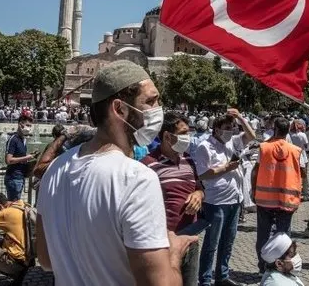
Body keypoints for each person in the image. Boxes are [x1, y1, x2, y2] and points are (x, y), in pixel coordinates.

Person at [36, 60, 195, 286]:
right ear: (119, 109)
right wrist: (174, 254)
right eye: (151, 101)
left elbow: (46, 260)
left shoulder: (54, 170)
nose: (159, 109)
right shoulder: (135, 178)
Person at [142, 112, 204, 286]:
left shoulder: (189, 161)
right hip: (162, 243)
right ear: (167, 136)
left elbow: (199, 188)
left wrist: (198, 194)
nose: (188, 137)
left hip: (190, 240)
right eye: (183, 133)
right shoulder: (147, 165)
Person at [194, 111, 255, 286]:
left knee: (228, 241)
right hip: (216, 202)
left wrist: (241, 118)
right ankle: (205, 279)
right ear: (217, 129)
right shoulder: (204, 146)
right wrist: (227, 168)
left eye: (233, 127)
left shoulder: (233, 142)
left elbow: (251, 135)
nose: (231, 130)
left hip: (235, 199)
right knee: (211, 243)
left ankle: (222, 276)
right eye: (227, 128)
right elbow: (203, 174)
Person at [251, 117, 303, 274]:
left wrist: (254, 190)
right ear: (288, 130)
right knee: (284, 237)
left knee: (263, 235)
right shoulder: (296, 150)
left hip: (265, 200)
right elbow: (303, 173)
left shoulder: (264, 147)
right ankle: (282, 268)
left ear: (275, 129)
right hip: (287, 200)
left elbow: (255, 171)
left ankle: (263, 266)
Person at [4, 113, 35, 201]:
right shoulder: (13, 139)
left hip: (20, 176)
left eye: (30, 126)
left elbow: (19, 156)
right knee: (13, 205)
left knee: (16, 203)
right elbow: (8, 160)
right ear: (20, 124)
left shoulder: (23, 139)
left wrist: (29, 156)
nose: (29, 128)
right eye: (27, 125)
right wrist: (26, 157)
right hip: (13, 177)